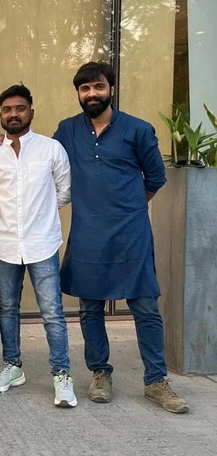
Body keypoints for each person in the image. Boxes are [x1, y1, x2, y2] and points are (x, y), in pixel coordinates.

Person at [54, 61, 188, 413]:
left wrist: (128, 208)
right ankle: (100, 373)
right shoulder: (67, 131)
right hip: (88, 232)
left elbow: (155, 178)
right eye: (85, 88)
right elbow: (44, 163)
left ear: (111, 89)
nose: (92, 94)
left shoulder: (138, 130)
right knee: (90, 307)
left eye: (98, 86)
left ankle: (156, 381)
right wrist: (5, 143)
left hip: (131, 233)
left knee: (145, 305)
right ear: (78, 93)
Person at [0, 85, 77, 408]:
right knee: (7, 308)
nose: (14, 114)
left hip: (42, 243)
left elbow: (64, 190)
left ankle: (62, 375)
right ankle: (13, 366)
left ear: (31, 112)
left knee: (52, 312)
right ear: (0, 114)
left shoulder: (52, 149)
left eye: (20, 108)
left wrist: (42, 214)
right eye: (7, 109)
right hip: (4, 243)